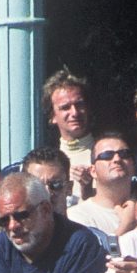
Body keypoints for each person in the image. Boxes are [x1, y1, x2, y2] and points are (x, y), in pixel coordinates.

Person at [67, 133, 136, 238]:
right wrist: (126, 226)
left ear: (133, 166)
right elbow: (91, 254)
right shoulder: (77, 216)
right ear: (93, 171)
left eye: (124, 154)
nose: (117, 159)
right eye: (107, 155)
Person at [46, 72, 99, 200]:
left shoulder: (109, 156)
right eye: (65, 107)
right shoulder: (48, 162)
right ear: (52, 116)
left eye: (79, 104)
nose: (74, 113)